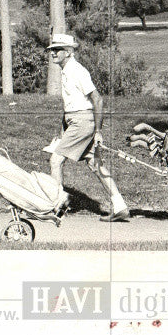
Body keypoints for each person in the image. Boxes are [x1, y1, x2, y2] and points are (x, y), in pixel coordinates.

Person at [45, 34, 131, 222]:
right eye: (52, 50)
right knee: (95, 164)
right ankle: (120, 206)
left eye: (57, 50)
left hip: (82, 122)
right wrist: (62, 132)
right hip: (76, 121)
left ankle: (58, 207)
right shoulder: (66, 70)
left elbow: (98, 100)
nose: (52, 53)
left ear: (68, 52)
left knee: (56, 160)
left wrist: (98, 131)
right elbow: (69, 106)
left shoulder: (77, 70)